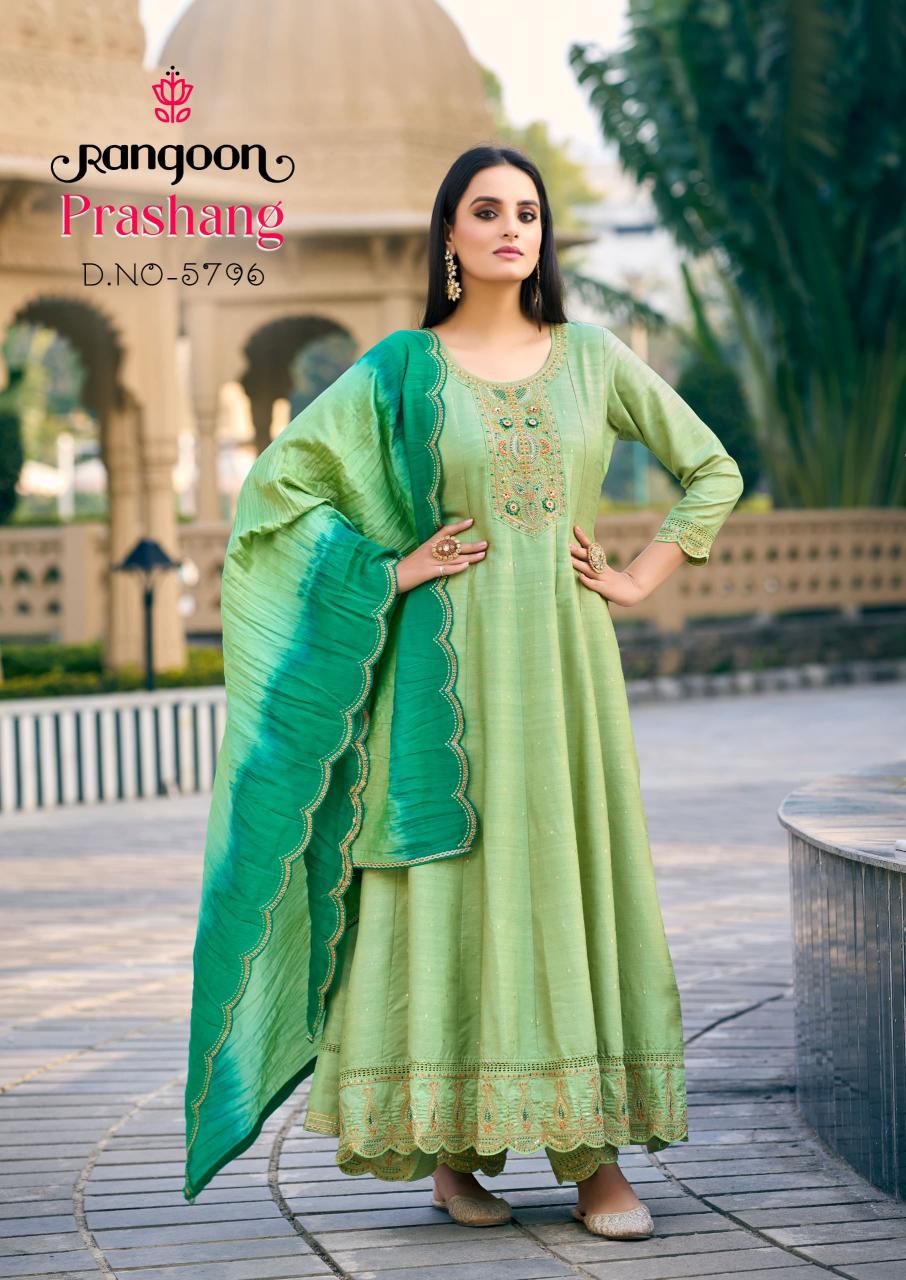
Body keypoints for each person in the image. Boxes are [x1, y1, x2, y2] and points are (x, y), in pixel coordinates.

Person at [182, 145, 745, 1241]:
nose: (510, 228)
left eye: (527, 212)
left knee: (569, 879)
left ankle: (593, 1158)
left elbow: (712, 468)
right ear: (450, 233)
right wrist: (387, 573)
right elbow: (278, 493)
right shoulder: (402, 370)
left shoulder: (593, 359)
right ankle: (453, 1154)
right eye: (486, 211)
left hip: (566, 677)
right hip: (442, 685)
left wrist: (640, 574)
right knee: (454, 889)